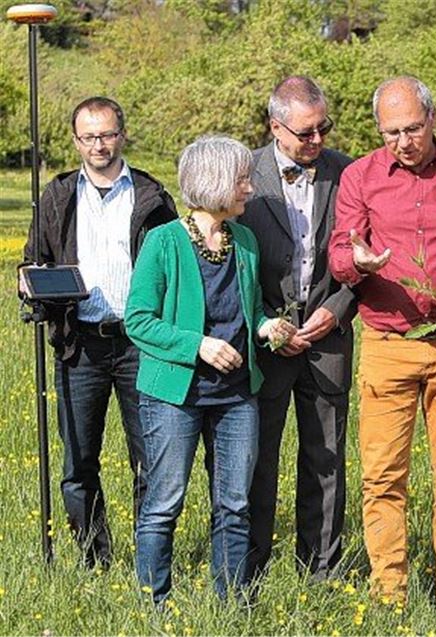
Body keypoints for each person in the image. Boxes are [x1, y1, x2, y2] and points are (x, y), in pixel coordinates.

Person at [328, 76, 436, 614]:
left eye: (412, 128)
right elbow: (339, 251)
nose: (403, 141)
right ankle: (390, 592)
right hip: (387, 341)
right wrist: (358, 261)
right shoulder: (360, 177)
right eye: (391, 132)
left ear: (433, 119)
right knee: (382, 475)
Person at [124, 135, 295, 603]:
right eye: (243, 179)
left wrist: (266, 328)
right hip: (174, 396)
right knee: (164, 504)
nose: (249, 189)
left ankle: (232, 605)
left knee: (235, 505)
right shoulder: (163, 242)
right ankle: (153, 605)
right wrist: (198, 345)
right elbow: (138, 321)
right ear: (216, 182)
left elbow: (250, 309)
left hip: (237, 395)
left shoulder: (244, 241)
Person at [20, 97, 178, 569]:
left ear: (122, 134)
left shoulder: (151, 195)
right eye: (89, 136)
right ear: (76, 141)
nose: (99, 145)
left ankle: (149, 558)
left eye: (106, 134)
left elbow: (173, 265)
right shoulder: (58, 196)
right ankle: (96, 561)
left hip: (140, 343)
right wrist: (29, 281)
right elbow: (34, 258)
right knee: (78, 463)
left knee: (150, 459)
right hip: (79, 344)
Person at [238, 76, 356, 582]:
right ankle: (252, 571)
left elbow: (361, 257)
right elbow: (225, 259)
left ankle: (321, 574)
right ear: (275, 127)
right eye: (305, 132)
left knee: (325, 461)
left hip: (328, 338)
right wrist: (269, 325)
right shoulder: (245, 173)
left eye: (323, 128)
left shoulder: (347, 172)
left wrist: (337, 307)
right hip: (264, 344)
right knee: (257, 462)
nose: (317, 141)